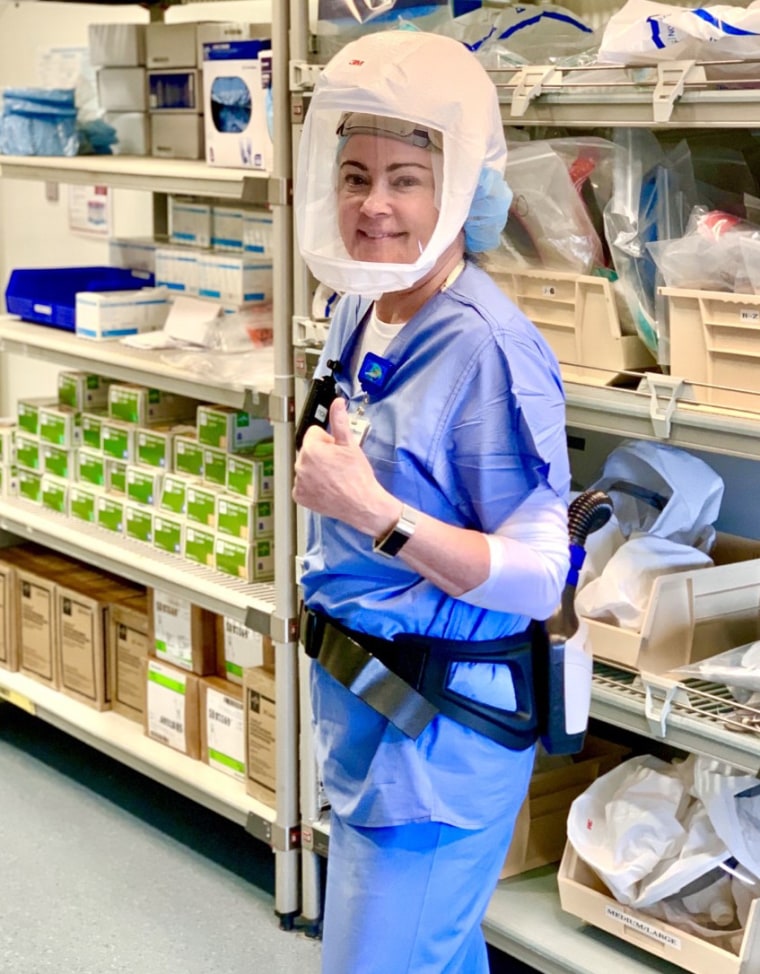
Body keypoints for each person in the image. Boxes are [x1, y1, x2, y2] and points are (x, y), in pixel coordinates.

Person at [293, 28, 571, 974]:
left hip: (443, 735)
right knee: (432, 959)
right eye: (356, 173)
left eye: (407, 179)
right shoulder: (360, 304)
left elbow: (539, 577)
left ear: (460, 190)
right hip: (370, 699)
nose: (374, 206)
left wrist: (378, 513)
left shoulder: (488, 346)